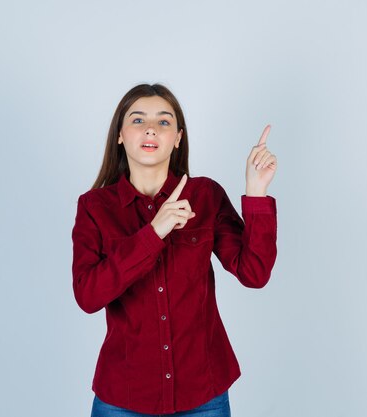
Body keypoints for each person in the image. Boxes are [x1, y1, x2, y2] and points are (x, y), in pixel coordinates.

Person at [71, 83, 278, 417]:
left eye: (164, 121)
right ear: (120, 135)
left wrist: (255, 192)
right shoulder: (95, 207)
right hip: (123, 396)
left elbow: (254, 273)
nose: (151, 128)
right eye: (138, 120)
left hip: (203, 394)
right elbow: (88, 295)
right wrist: (154, 233)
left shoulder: (205, 196)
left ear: (178, 137)